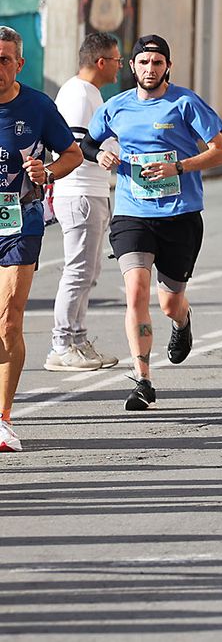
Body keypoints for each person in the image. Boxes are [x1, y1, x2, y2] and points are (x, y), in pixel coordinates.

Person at [89, 34, 222, 412]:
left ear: (167, 66)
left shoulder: (184, 102)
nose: (150, 69)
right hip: (133, 213)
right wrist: (101, 152)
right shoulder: (116, 106)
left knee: (169, 303)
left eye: (157, 63)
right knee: (135, 292)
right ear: (131, 67)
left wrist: (179, 166)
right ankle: (143, 379)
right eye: (143, 62)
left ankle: (182, 322)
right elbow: (85, 141)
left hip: (180, 216)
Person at [0, 26, 84, 451]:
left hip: (20, 223)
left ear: (19, 63)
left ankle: (3, 419)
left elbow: (73, 154)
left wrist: (47, 172)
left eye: (3, 59)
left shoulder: (36, 106)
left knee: (9, 318)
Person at [44, 32, 122, 372]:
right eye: (117, 60)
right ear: (101, 62)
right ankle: (62, 344)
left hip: (91, 192)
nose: (121, 66)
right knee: (77, 271)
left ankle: (77, 338)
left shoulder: (88, 93)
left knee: (88, 271)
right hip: (80, 192)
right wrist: (109, 153)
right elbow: (76, 147)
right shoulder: (79, 94)